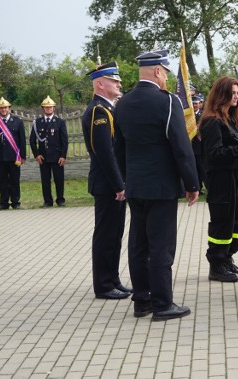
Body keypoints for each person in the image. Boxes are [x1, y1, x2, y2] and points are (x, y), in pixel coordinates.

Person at [114, 49, 199, 321]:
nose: (165, 78)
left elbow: (119, 148)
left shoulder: (123, 103)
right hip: (161, 186)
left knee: (139, 245)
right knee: (161, 246)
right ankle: (163, 303)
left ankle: (142, 301)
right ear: (158, 71)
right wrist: (192, 182)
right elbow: (181, 146)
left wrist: (125, 180)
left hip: (136, 185)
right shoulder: (168, 102)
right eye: (165, 72)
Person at [82, 62, 132, 300]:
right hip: (108, 185)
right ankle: (103, 285)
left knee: (115, 234)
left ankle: (113, 279)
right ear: (100, 83)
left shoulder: (110, 109)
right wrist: (118, 185)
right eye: (114, 80)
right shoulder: (97, 111)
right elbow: (104, 153)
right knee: (105, 235)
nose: (119, 84)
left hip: (115, 183)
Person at [199, 76, 238, 283]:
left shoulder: (230, 119)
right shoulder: (212, 121)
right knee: (222, 220)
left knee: (236, 218)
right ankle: (216, 263)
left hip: (235, 177)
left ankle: (228, 257)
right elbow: (214, 153)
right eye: (233, 93)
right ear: (222, 95)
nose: (236, 96)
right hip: (221, 179)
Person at [29, 96, 68, 207]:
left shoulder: (60, 122)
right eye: (46, 107)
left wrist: (63, 156)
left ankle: (60, 200)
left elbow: (64, 141)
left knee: (59, 179)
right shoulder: (37, 122)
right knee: (45, 180)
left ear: (54, 108)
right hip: (43, 156)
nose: (48, 109)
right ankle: (47, 201)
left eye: (50, 107)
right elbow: (32, 141)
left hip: (57, 156)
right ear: (43, 108)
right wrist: (36, 155)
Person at [0, 98, 26, 210]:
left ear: (9, 109)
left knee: (14, 180)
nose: (3, 110)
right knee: (2, 181)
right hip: (0, 157)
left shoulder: (17, 121)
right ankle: (4, 203)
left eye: (5, 108)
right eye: (1, 108)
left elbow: (22, 140)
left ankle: (16, 202)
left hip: (14, 156)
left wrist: (23, 156)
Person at [191, 96, 206, 194]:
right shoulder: (188, 116)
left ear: (200, 104)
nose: (195, 105)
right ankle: (197, 188)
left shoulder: (203, 115)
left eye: (196, 103)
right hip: (191, 146)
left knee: (202, 168)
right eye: (193, 104)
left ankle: (208, 186)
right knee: (194, 169)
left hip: (200, 146)